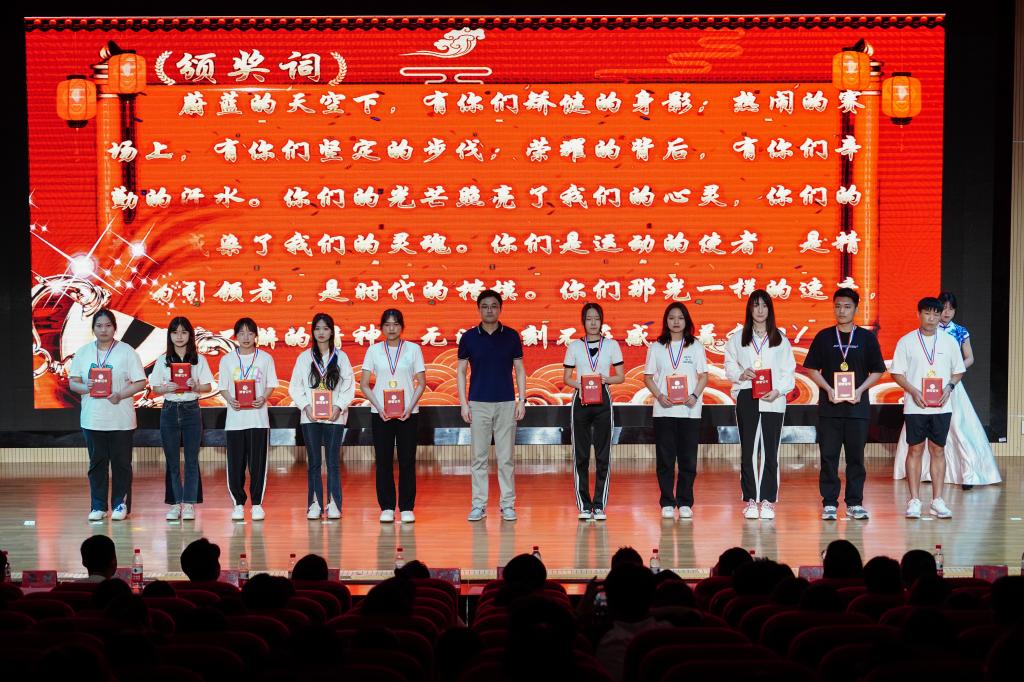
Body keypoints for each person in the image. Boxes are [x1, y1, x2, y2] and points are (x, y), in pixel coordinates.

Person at [894, 291, 1001, 490]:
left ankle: (967, 472)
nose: (945, 313)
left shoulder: (958, 332)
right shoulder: (912, 338)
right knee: (918, 440)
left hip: (949, 386)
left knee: (958, 428)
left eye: (950, 309)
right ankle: (924, 474)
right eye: (942, 309)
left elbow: (969, 358)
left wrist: (952, 375)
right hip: (921, 391)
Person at [803, 288, 886, 520]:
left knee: (856, 459)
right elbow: (811, 369)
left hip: (857, 409)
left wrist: (860, 390)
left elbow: (878, 370)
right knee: (828, 457)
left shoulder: (867, 338)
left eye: (847, 306)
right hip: (830, 409)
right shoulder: (824, 337)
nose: (842, 311)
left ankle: (854, 503)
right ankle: (830, 503)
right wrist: (828, 389)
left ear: (856, 309)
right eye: (838, 306)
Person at [889, 297, 965, 519]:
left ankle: (937, 501)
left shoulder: (949, 342)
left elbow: (958, 370)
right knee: (915, 450)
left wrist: (949, 387)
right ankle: (914, 500)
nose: (931, 318)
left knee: (938, 450)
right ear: (919, 314)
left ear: (940, 316)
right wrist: (913, 391)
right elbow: (896, 372)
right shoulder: (906, 341)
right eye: (927, 313)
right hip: (915, 406)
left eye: (935, 314)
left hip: (942, 406)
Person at [68, 309, 146, 521]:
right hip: (93, 419)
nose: (104, 330)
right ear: (93, 329)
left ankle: (120, 504)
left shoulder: (127, 351)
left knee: (121, 464)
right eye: (99, 326)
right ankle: (98, 507)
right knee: (97, 464)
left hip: (121, 420)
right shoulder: (83, 352)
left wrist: (120, 394)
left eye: (108, 325)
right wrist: (85, 387)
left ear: (115, 328)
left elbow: (141, 382)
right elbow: (73, 382)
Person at [724, 290, 796, 520]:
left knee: (770, 452)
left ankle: (767, 501)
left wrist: (778, 390)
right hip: (747, 396)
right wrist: (741, 373)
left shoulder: (780, 339)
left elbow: (789, 372)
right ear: (749, 308)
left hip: (773, 398)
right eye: (756, 305)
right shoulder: (738, 338)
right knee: (748, 451)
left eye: (764, 305)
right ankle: (751, 500)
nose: (760, 310)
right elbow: (729, 365)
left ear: (770, 309)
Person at [457, 290, 527, 522]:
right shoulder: (468, 337)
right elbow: (461, 372)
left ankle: (508, 505)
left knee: (506, 458)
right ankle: (478, 505)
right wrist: (464, 403)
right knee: (479, 458)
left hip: (506, 403)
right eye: (485, 306)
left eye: (494, 306)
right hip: (478, 404)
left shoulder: (511, 336)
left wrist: (522, 400)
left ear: (500, 309)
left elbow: (519, 370)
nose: (489, 310)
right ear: (479, 309)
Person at [360, 309, 426, 524]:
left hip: (408, 413)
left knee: (407, 460)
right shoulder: (373, 351)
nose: (391, 328)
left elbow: (421, 383)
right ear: (381, 327)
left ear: (402, 327)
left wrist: (410, 406)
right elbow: (364, 384)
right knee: (383, 461)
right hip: (381, 414)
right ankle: (387, 507)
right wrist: (379, 407)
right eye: (387, 324)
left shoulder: (414, 349)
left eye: (396, 324)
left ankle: (406, 507)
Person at [643, 302, 708, 520]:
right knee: (665, 460)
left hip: (690, 411)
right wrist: (659, 396)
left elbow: (704, 376)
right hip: (664, 411)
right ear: (666, 321)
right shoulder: (657, 347)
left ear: (686, 320)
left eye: (680, 317)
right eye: (672, 318)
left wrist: (694, 396)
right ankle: (667, 502)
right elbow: (648, 377)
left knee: (688, 460)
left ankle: (685, 502)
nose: (676, 322)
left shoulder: (696, 346)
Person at [289, 312, 355, 520]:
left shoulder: (341, 357)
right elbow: (295, 387)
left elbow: (349, 386)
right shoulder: (304, 358)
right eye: (317, 328)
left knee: (333, 462)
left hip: (335, 417)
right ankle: (315, 504)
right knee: (314, 463)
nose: (321, 332)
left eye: (325, 328)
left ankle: (334, 504)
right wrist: (306, 407)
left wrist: (339, 407)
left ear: (332, 332)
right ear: (312, 332)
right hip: (310, 418)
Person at [149, 316, 214, 522]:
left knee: (192, 459)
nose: (179, 336)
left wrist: (196, 386)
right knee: (172, 460)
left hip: (191, 410)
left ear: (190, 335)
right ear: (169, 335)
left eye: (184, 332)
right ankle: (175, 503)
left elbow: (208, 386)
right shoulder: (162, 360)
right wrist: (165, 388)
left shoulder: (198, 360)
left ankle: (189, 504)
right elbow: (154, 388)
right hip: (169, 410)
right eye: (175, 332)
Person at [563, 303, 624, 521]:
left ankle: (599, 505)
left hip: (603, 400)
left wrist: (606, 380)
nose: (593, 323)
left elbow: (621, 376)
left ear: (602, 321)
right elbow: (566, 378)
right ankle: (583, 504)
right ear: (583, 321)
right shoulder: (574, 346)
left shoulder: (612, 345)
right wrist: (580, 384)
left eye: (596, 318)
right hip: (580, 401)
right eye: (589, 319)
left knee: (602, 454)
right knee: (580, 454)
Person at [218, 317, 279, 522]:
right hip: (235, 421)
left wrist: (264, 397)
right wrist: (230, 400)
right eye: (241, 333)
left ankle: (257, 504)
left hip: (258, 420)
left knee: (258, 464)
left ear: (256, 336)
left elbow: (271, 383)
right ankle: (238, 504)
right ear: (236, 336)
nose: (246, 337)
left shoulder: (265, 358)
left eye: (250, 333)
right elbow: (223, 386)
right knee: (235, 465)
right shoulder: (227, 360)